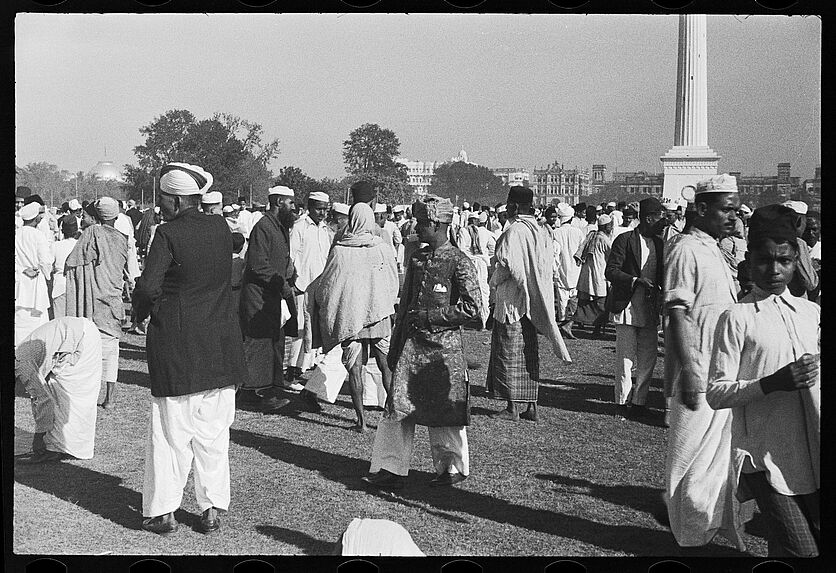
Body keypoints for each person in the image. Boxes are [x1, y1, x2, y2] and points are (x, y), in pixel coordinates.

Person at [133, 162, 247, 536]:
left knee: (171, 435)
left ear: (177, 200)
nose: (159, 206)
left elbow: (149, 287)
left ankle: (163, 511)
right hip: (221, 345)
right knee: (214, 434)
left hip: (178, 347)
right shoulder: (220, 227)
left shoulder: (166, 234)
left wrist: (139, 313)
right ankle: (212, 508)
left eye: (163, 199)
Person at [706, 204, 819, 557]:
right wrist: (771, 383)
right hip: (763, 458)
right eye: (764, 260)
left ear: (795, 261)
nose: (774, 270)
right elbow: (716, 392)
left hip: (811, 452)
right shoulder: (738, 317)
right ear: (749, 262)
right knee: (804, 550)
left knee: (784, 548)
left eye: (784, 261)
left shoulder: (809, 313)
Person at [363, 195, 481, 489]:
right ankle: (390, 466)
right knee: (397, 407)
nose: (416, 227)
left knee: (445, 412)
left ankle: (451, 468)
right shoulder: (416, 259)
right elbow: (404, 306)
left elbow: (473, 307)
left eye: (421, 223)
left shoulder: (458, 262)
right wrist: (395, 345)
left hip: (444, 351)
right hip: (411, 348)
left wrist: (434, 317)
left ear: (435, 224)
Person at [663, 173, 748, 550]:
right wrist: (692, 370)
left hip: (722, 370)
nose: (734, 217)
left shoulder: (713, 247)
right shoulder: (685, 249)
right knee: (689, 456)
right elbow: (677, 313)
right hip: (698, 370)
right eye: (726, 210)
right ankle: (689, 536)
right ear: (701, 209)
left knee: (718, 457)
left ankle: (708, 528)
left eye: (735, 210)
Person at [486, 186, 571, 422]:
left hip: (512, 302)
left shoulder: (515, 232)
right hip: (534, 301)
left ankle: (512, 407)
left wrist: (493, 281)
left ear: (512, 206)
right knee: (529, 353)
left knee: (509, 353)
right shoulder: (543, 230)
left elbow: (508, 267)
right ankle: (532, 405)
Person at [313, 203, 399, 432]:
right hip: (378, 314)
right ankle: (392, 416)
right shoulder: (381, 247)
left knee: (355, 369)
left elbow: (328, 284)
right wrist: (383, 302)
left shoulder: (341, 249)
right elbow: (392, 281)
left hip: (350, 315)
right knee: (385, 366)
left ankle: (361, 421)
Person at [237, 185, 298, 412]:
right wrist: (280, 282)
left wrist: (289, 270)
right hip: (259, 297)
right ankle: (258, 394)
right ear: (279, 201)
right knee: (259, 345)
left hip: (272, 296)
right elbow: (257, 264)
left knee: (274, 343)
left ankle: (262, 391)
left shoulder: (279, 227)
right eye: (290, 203)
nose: (293, 207)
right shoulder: (263, 226)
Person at [64, 197, 129, 410]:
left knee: (91, 350)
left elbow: (73, 262)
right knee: (112, 351)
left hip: (95, 298)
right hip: (114, 297)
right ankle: (110, 398)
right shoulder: (122, 238)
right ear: (116, 216)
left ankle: (89, 396)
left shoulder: (92, 233)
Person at [605, 198, 666, 420]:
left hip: (649, 308)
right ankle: (621, 402)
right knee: (625, 358)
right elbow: (610, 271)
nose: (664, 221)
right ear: (649, 218)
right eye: (661, 216)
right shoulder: (625, 240)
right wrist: (635, 280)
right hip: (627, 306)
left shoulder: (659, 244)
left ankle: (639, 402)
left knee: (648, 358)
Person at [14, 317, 103, 464]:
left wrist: (38, 439)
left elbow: (43, 400)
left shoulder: (21, 366)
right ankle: (61, 447)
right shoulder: (20, 362)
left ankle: (60, 449)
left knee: (68, 396)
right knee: (58, 392)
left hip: (82, 338)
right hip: (79, 332)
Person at [287, 190, 334, 391]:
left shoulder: (325, 230)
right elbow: (291, 256)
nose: (322, 213)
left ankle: (303, 367)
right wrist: (295, 282)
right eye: (318, 209)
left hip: (319, 286)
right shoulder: (300, 227)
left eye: (325, 209)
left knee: (311, 330)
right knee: (299, 330)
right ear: (310, 207)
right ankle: (291, 373)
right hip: (302, 286)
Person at [15, 202, 54, 347]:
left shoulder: (17, 234)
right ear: (35, 218)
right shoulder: (38, 236)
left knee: (19, 322)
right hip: (35, 284)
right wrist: (47, 273)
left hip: (19, 284)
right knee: (37, 324)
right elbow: (46, 261)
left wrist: (21, 269)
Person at [574, 214, 613, 336]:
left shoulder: (592, 236)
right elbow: (612, 256)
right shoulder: (603, 239)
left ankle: (595, 329)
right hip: (599, 275)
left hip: (588, 274)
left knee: (584, 303)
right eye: (610, 225)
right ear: (606, 226)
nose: (611, 228)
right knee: (601, 304)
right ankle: (595, 329)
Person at [550, 203, 585, 339]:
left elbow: (555, 254)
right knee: (574, 297)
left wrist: (554, 272)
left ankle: (564, 322)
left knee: (562, 299)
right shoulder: (578, 232)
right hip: (576, 270)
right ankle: (570, 324)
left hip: (561, 270)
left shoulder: (556, 233)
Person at [456, 210, 495, 328]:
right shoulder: (483, 232)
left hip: (469, 263)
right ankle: (482, 320)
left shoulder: (464, 231)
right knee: (482, 290)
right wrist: (486, 257)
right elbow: (493, 248)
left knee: (467, 289)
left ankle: (471, 319)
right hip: (480, 263)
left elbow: (461, 249)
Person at [49, 216, 80, 319]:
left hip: (60, 286)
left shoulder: (56, 246)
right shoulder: (79, 245)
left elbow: (48, 265)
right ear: (76, 230)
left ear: (62, 231)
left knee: (59, 320)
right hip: (77, 286)